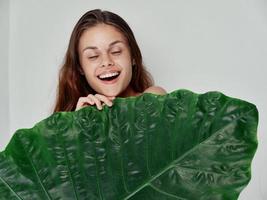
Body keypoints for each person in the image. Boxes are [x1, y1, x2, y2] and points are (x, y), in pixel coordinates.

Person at [53, 9, 166, 113]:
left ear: (133, 57)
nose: (106, 62)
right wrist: (81, 125)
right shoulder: (77, 114)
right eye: (93, 56)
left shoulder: (154, 97)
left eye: (116, 51)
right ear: (80, 67)